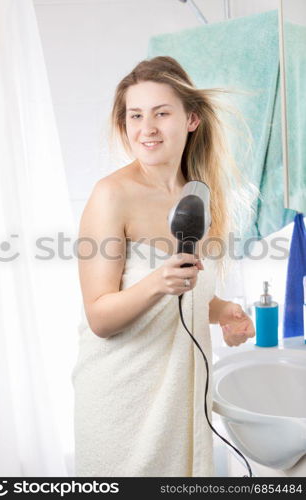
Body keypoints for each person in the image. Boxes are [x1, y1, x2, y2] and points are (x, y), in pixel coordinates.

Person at [72, 56, 255, 477]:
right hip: (123, 400)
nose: (146, 128)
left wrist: (222, 309)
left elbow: (181, 290)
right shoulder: (111, 195)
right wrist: (159, 280)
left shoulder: (198, 193)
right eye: (135, 115)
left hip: (178, 399)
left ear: (191, 119)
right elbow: (100, 315)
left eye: (161, 113)